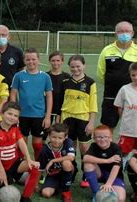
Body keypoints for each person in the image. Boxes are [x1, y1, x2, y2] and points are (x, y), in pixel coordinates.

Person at [97, 21, 137, 129]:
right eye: (120, 31)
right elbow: (101, 73)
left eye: (127, 31)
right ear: (115, 33)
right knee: (107, 128)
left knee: (134, 128)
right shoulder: (106, 51)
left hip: (133, 97)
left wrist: (135, 88)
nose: (124, 34)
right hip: (110, 95)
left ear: (132, 33)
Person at [0, 101, 40, 202]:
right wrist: (2, 172)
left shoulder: (15, 127)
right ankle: (3, 183)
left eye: (15, 115)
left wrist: (29, 159)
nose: (12, 117)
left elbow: (21, 142)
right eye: (9, 114)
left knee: (34, 167)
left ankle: (25, 197)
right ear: (2, 114)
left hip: (14, 164)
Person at [60, 55, 97, 187]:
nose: (75, 69)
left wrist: (91, 122)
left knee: (84, 147)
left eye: (78, 66)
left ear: (83, 66)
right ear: (69, 67)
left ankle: (86, 175)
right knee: (70, 146)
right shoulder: (65, 81)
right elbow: (60, 103)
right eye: (72, 66)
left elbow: (93, 105)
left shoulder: (90, 82)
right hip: (67, 118)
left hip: (83, 119)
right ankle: (71, 171)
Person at [10, 48, 53, 160]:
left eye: (33, 59)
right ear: (24, 60)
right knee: (22, 142)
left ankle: (38, 167)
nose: (31, 62)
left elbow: (49, 96)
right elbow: (13, 94)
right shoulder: (19, 76)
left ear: (38, 60)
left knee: (37, 145)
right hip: (22, 115)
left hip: (38, 115)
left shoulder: (45, 77)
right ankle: (22, 164)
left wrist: (47, 116)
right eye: (28, 59)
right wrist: (14, 114)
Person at [83, 125, 125, 202]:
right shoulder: (93, 146)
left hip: (114, 176)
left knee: (120, 199)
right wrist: (107, 160)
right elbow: (85, 158)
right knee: (88, 164)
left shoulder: (116, 148)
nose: (102, 139)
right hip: (100, 174)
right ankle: (96, 193)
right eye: (99, 137)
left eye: (106, 137)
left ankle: (108, 186)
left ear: (111, 138)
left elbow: (116, 167)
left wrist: (108, 184)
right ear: (94, 138)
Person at [38, 123, 75, 202]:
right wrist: (35, 184)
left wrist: (52, 161)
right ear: (49, 136)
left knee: (66, 163)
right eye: (54, 137)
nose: (56, 140)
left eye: (60, 138)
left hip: (68, 171)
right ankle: (61, 186)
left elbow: (71, 157)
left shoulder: (68, 142)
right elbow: (41, 169)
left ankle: (66, 192)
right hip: (53, 175)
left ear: (65, 137)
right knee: (46, 193)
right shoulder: (44, 150)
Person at [47, 51, 70, 124]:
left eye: (58, 60)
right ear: (50, 61)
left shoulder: (67, 77)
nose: (55, 63)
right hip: (47, 110)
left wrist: (59, 113)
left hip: (61, 110)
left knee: (59, 133)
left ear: (62, 61)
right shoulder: (45, 76)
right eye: (53, 60)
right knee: (44, 133)